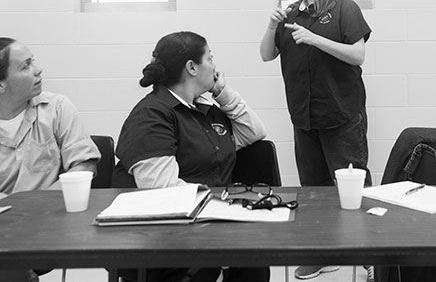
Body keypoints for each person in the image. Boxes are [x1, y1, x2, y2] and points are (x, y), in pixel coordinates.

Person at [115, 31, 269, 282]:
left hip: (209, 226)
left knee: (254, 261)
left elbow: (254, 132)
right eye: (210, 58)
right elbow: (163, 190)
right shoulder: (151, 115)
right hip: (168, 238)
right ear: (192, 67)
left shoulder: (205, 109)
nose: (215, 66)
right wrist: (224, 210)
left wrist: (223, 92)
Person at [260, 0, 372, 281]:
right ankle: (323, 253)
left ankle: (371, 256)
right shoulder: (290, 13)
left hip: (341, 115)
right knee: (313, 189)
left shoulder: (343, 7)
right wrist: (270, 25)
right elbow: (266, 54)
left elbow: (358, 55)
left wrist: (314, 39)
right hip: (304, 118)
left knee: (353, 188)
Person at [0, 37, 100, 282]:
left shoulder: (56, 108)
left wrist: (31, 207)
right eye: (25, 66)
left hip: (48, 224)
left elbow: (84, 164)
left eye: (33, 61)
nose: (38, 70)